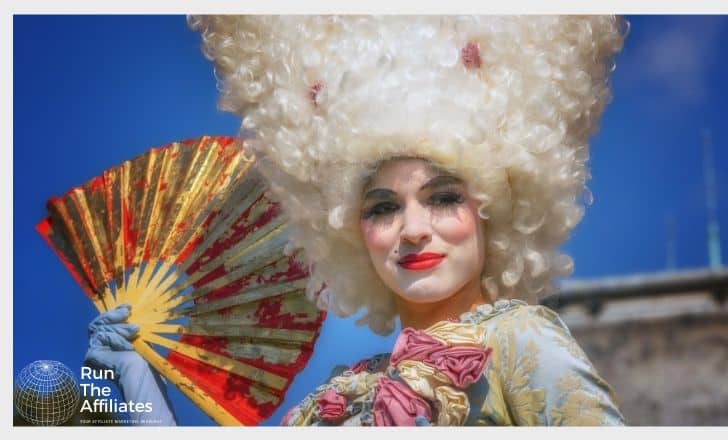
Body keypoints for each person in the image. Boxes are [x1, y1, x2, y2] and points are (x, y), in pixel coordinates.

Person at [87, 15, 627, 426]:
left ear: (493, 206)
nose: (413, 229)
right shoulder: (338, 393)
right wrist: (134, 383)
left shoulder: (518, 339)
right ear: (349, 230)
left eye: (442, 198)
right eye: (383, 207)